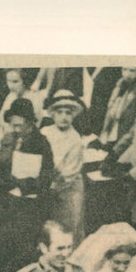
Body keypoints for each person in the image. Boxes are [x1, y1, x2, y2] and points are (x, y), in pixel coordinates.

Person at [0, 97, 54, 272]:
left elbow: (46, 178)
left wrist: (26, 183)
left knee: (22, 253)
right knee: (2, 250)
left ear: (30, 123)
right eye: (12, 124)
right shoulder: (8, 139)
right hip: (7, 202)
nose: (16, 129)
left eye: (20, 125)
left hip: (28, 208)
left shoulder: (42, 144)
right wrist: (3, 179)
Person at [41, 90, 86, 244]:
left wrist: (51, 187)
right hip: (47, 187)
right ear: (52, 114)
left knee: (69, 227)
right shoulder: (45, 133)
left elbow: (70, 172)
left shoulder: (75, 139)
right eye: (59, 112)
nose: (64, 117)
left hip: (68, 190)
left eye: (68, 113)